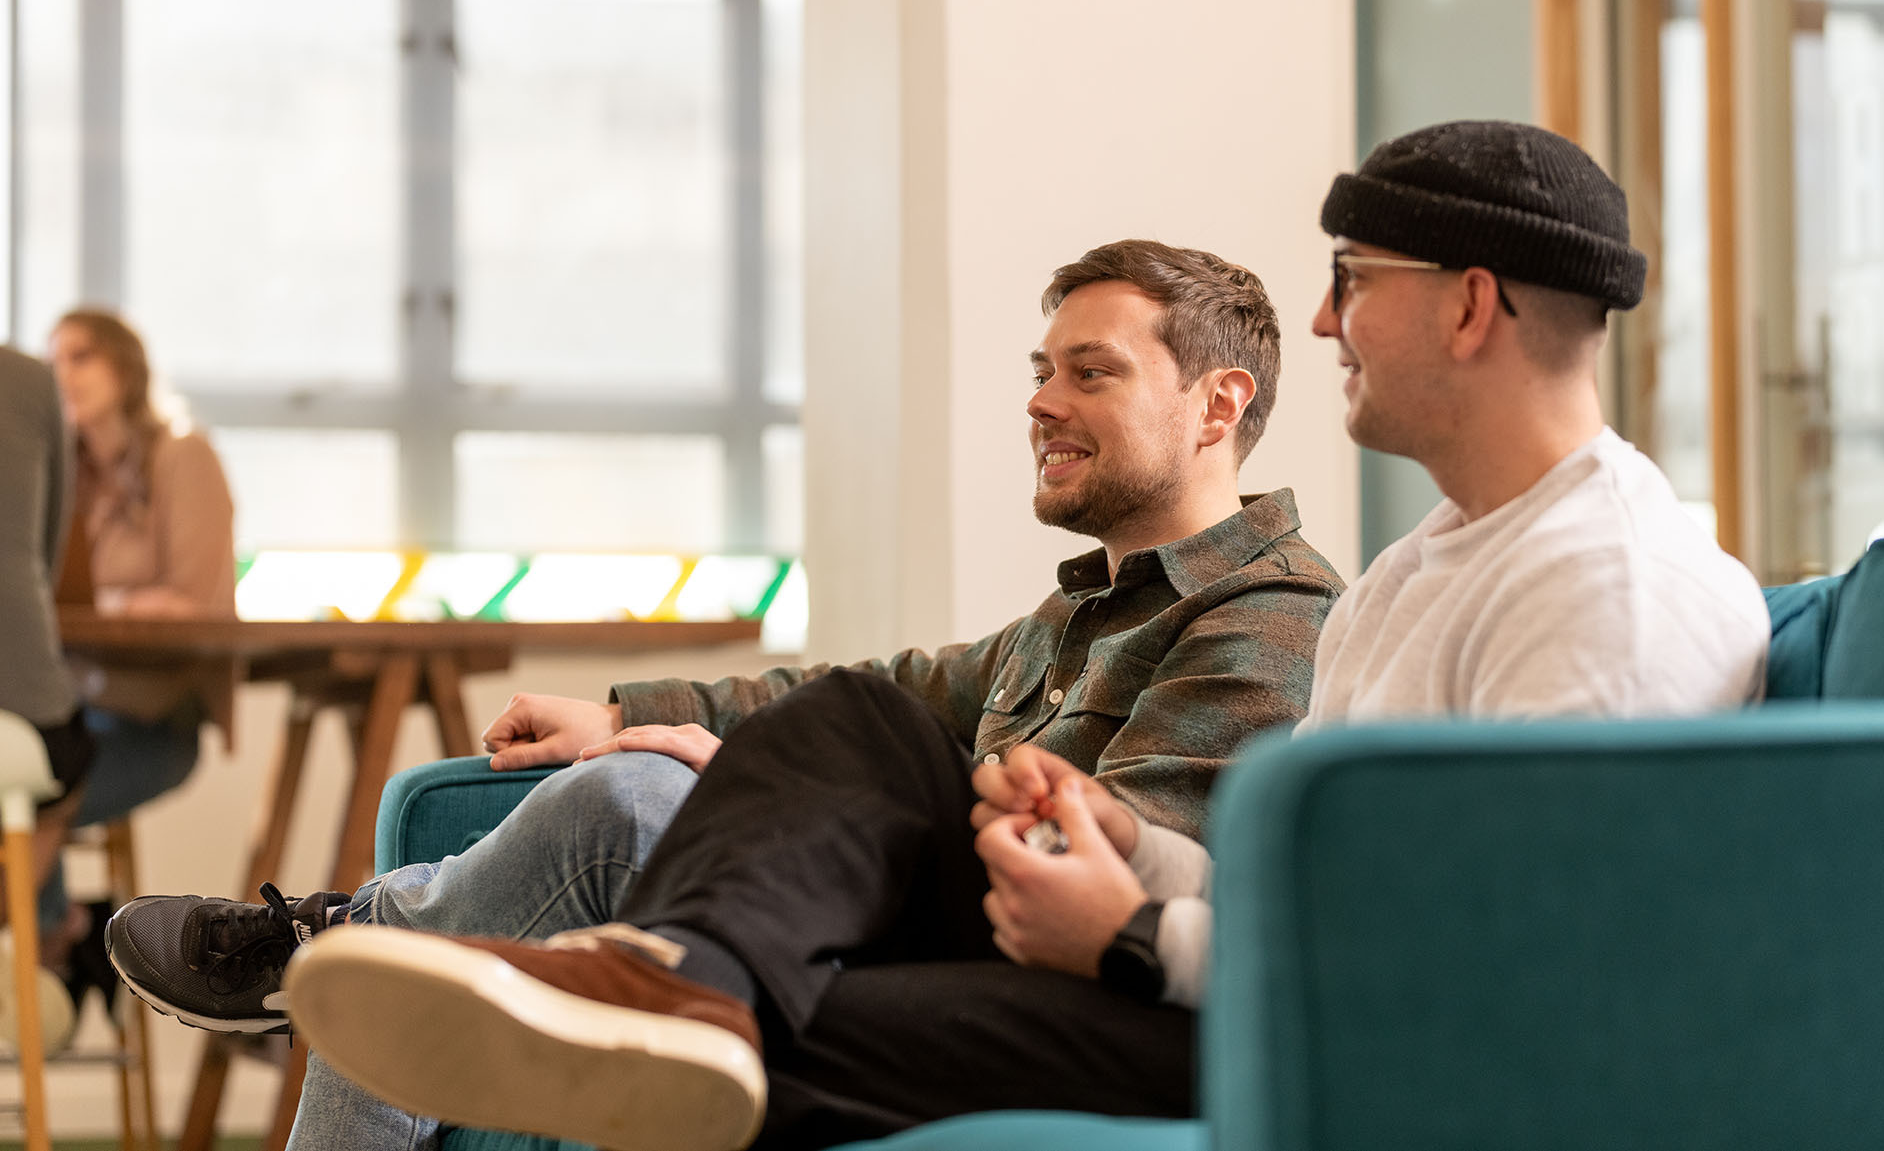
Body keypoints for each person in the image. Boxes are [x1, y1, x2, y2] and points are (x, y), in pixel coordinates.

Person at [261, 122, 1770, 1151]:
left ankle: (532, 962)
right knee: (853, 732)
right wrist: (1116, 834)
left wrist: (1122, 926)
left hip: (1355, 1059)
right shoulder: (1424, 568)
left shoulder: (1606, 594)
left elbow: (1491, 985)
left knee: (778, 1035)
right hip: (1247, 983)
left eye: (1354, 286)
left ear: (1471, 308)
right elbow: (1299, 879)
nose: (1322, 325)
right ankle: (679, 972)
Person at [106, 239, 1344, 1146]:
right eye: (1040, 369)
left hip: (1056, 964)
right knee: (712, 751)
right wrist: (634, 712)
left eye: (1089, 373)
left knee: (661, 790)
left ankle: (344, 940)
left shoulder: (1265, 616)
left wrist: (764, 785)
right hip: (931, 919)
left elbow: (1106, 861)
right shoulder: (1073, 615)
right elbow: (869, 693)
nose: (1039, 400)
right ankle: (368, 944)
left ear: (1216, 406)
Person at [41, 309, 236, 1012]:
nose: (62, 372)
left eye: (81, 355)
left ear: (124, 368)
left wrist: (109, 605)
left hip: (155, 718)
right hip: (77, 703)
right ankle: (60, 937)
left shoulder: (181, 456)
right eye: (53, 358)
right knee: (23, 774)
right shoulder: (68, 478)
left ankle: (51, 942)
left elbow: (197, 601)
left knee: (32, 792)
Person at [0, 345, 94, 1052]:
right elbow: (46, 547)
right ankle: (29, 943)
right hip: (23, 696)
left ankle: (50, 933)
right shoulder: (31, 380)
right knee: (62, 767)